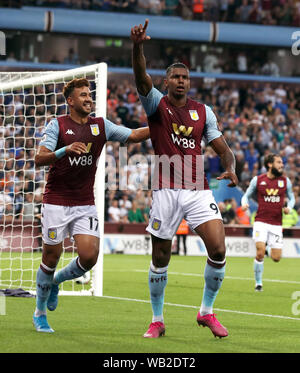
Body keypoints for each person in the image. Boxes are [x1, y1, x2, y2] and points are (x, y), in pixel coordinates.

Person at [130, 20, 238, 339]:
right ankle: (157, 319)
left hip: (197, 190)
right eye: (175, 76)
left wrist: (230, 166)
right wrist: (138, 46)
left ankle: (206, 311)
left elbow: (223, 147)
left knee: (218, 249)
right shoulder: (155, 105)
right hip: (165, 191)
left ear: (190, 82)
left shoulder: (203, 112)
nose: (181, 80)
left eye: (185, 77)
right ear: (166, 81)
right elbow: (140, 77)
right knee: (161, 256)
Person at [33, 78, 150, 333]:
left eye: (90, 95)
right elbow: (39, 158)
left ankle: (56, 282)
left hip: (84, 202)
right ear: (70, 101)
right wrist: (64, 151)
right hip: (56, 201)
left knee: (89, 257)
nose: (88, 98)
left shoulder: (101, 126)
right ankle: (40, 313)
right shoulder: (58, 125)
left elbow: (133, 135)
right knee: (50, 257)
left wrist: (161, 124)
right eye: (83, 95)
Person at [241, 153, 295, 292]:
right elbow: (246, 196)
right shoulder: (257, 180)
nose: (282, 165)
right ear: (270, 164)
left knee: (276, 258)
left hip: (277, 224)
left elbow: (292, 198)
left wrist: (289, 207)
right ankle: (258, 283)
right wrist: (244, 204)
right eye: (278, 162)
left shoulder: (285, 181)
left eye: (282, 162)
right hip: (261, 221)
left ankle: (269, 249)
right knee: (259, 252)